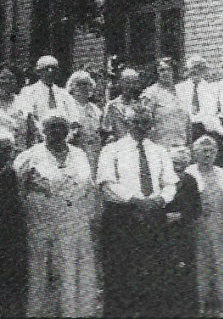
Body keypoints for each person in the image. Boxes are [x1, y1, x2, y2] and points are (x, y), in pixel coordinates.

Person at [96, 103, 178, 317]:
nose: (141, 126)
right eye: (136, 121)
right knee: (120, 273)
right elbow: (107, 184)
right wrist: (136, 200)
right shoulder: (111, 150)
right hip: (122, 216)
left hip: (154, 214)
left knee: (154, 271)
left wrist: (160, 200)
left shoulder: (159, 151)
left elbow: (170, 182)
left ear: (151, 124)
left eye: (145, 122)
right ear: (127, 123)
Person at [15, 113, 99, 317]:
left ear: (68, 130)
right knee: (41, 269)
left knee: (71, 267)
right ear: (43, 130)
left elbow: (85, 181)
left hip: (73, 220)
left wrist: (52, 187)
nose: (57, 132)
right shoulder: (29, 156)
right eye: (51, 127)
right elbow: (19, 187)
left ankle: (72, 312)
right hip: (41, 220)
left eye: (62, 127)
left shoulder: (78, 154)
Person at [186, 136, 223, 318]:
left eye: (212, 151)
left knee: (220, 262)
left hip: (218, 223)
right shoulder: (189, 173)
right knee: (199, 263)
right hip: (194, 224)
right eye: (204, 151)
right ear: (195, 153)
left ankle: (222, 306)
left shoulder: (222, 173)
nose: (208, 155)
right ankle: (200, 304)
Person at [164, 146, 200, 317]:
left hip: (184, 232)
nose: (178, 166)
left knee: (185, 270)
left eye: (182, 163)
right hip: (163, 232)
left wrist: (181, 215)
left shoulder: (190, 180)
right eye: (175, 163)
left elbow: (197, 209)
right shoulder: (162, 178)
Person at [0, 133, 26, 318]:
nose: (6, 153)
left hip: (12, 232)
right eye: (2, 150)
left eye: (9, 149)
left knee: (12, 274)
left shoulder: (12, 173)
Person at [142, 58, 192, 150]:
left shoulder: (182, 92)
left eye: (169, 69)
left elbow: (188, 124)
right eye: (162, 70)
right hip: (160, 148)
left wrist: (189, 146)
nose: (166, 73)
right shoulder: (151, 93)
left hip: (182, 147)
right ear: (157, 73)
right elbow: (144, 123)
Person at [65, 70, 104, 171]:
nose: (83, 87)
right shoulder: (66, 106)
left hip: (94, 152)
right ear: (72, 87)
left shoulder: (95, 109)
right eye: (79, 84)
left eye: (86, 84)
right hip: (75, 151)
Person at [175, 56, 219, 143]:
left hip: (206, 128)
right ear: (188, 70)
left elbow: (213, 111)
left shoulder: (212, 89)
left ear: (204, 71)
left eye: (200, 68)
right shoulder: (179, 88)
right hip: (186, 128)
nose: (196, 71)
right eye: (193, 68)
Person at [100, 68, 143, 144]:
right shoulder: (111, 106)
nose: (130, 86)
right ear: (121, 83)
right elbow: (106, 132)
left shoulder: (139, 106)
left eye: (133, 82)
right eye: (127, 82)